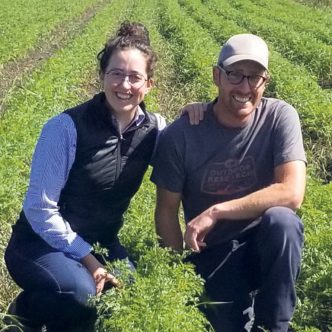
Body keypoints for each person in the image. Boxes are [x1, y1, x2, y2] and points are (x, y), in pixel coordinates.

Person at [4, 21, 200, 332]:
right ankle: (26, 312)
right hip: (38, 245)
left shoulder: (155, 129)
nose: (124, 85)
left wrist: (196, 112)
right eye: (116, 74)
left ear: (149, 84)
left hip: (102, 242)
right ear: (102, 76)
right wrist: (89, 260)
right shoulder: (65, 128)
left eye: (135, 77)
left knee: (130, 296)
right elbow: (40, 210)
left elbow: (188, 144)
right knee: (82, 294)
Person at [151, 33, 306, 332]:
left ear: (265, 81)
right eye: (235, 75)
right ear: (217, 76)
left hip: (265, 247)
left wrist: (216, 211)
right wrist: (174, 278)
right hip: (214, 254)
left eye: (255, 77)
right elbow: (166, 211)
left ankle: (275, 326)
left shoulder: (279, 117)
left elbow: (291, 193)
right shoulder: (181, 135)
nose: (245, 87)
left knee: (282, 221)